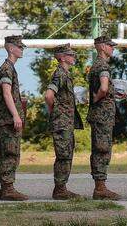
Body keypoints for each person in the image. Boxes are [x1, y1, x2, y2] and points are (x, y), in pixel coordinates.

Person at [45, 43, 81, 200]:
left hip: (66, 122)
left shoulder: (65, 74)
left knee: (67, 154)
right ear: (62, 57)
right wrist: (56, 111)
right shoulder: (59, 74)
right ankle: (60, 189)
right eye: (70, 54)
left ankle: (62, 188)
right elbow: (48, 95)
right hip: (62, 122)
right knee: (63, 155)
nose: (73, 57)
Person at [0, 35, 27, 201]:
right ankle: (7, 189)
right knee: (9, 153)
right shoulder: (7, 69)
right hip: (7, 120)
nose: (22, 50)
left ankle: (7, 188)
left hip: (5, 119)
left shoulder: (10, 68)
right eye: (20, 47)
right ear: (11, 48)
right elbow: (7, 93)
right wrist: (15, 115)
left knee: (9, 153)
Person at [87, 35, 120, 200]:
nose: (112, 48)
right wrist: (98, 97)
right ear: (101, 47)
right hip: (103, 116)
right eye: (109, 45)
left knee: (100, 149)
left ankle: (100, 186)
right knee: (102, 150)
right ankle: (100, 188)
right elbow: (104, 87)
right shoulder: (103, 66)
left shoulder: (96, 65)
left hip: (100, 116)